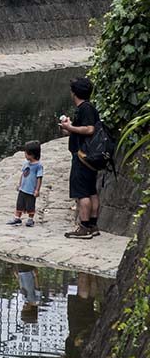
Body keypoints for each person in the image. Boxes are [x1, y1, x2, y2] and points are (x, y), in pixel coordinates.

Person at [60, 77, 101, 239]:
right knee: (91, 191)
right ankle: (93, 225)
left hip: (83, 156)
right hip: (90, 157)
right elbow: (80, 129)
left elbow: (90, 129)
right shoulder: (88, 108)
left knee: (82, 192)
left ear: (74, 93)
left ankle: (84, 227)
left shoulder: (85, 108)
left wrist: (69, 127)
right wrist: (69, 128)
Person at [8, 141, 43, 227]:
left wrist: (37, 190)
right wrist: (20, 185)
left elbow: (39, 178)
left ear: (32, 154)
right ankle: (17, 218)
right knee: (19, 204)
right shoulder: (26, 164)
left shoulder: (38, 166)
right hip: (23, 189)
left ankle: (30, 219)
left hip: (31, 190)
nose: (25, 155)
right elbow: (23, 175)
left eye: (26, 153)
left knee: (30, 205)